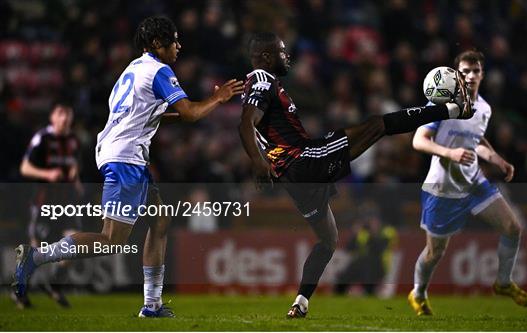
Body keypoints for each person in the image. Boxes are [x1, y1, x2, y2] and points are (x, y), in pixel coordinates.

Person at [13, 15, 244, 318]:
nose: (179, 45)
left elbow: (146, 115)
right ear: (157, 44)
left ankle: (152, 305)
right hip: (125, 159)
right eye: (173, 40)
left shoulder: (131, 70)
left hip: (120, 152)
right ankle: (36, 257)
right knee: (111, 241)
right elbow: (189, 114)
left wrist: (206, 104)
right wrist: (217, 98)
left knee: (159, 220)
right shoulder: (160, 70)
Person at [238, 32, 473, 318]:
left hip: (294, 177)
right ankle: (452, 109)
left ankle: (300, 301)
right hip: (305, 159)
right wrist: (257, 162)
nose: (287, 56)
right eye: (282, 52)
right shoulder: (263, 79)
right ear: (265, 57)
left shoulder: (256, 84)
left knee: (328, 240)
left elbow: (252, 123)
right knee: (377, 125)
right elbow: (246, 123)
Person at [408, 50, 527, 316]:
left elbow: (476, 141)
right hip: (442, 188)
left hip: (474, 182)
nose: (470, 76)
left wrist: (497, 159)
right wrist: (450, 153)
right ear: (456, 75)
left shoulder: (484, 108)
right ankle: (418, 293)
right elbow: (418, 141)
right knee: (435, 253)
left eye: (475, 70)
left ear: (482, 74)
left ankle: (503, 283)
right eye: (465, 71)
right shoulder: (441, 104)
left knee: (513, 227)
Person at [13, 103, 81, 309]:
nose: (64, 118)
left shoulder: (73, 140)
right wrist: (47, 174)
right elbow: (24, 167)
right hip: (43, 204)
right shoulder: (42, 138)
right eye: (60, 113)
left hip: (66, 203)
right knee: (36, 253)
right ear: (52, 116)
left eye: (68, 114)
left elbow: (74, 163)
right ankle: (19, 293)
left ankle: (54, 284)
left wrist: (75, 177)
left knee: (76, 244)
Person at [334, 209, 398, 296]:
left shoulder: (388, 231)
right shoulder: (364, 232)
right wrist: (355, 234)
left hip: (380, 266)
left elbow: (379, 248)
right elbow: (349, 248)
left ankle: (370, 293)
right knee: (352, 268)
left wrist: (372, 233)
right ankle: (338, 292)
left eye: (373, 220)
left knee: (367, 262)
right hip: (363, 265)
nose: (372, 222)